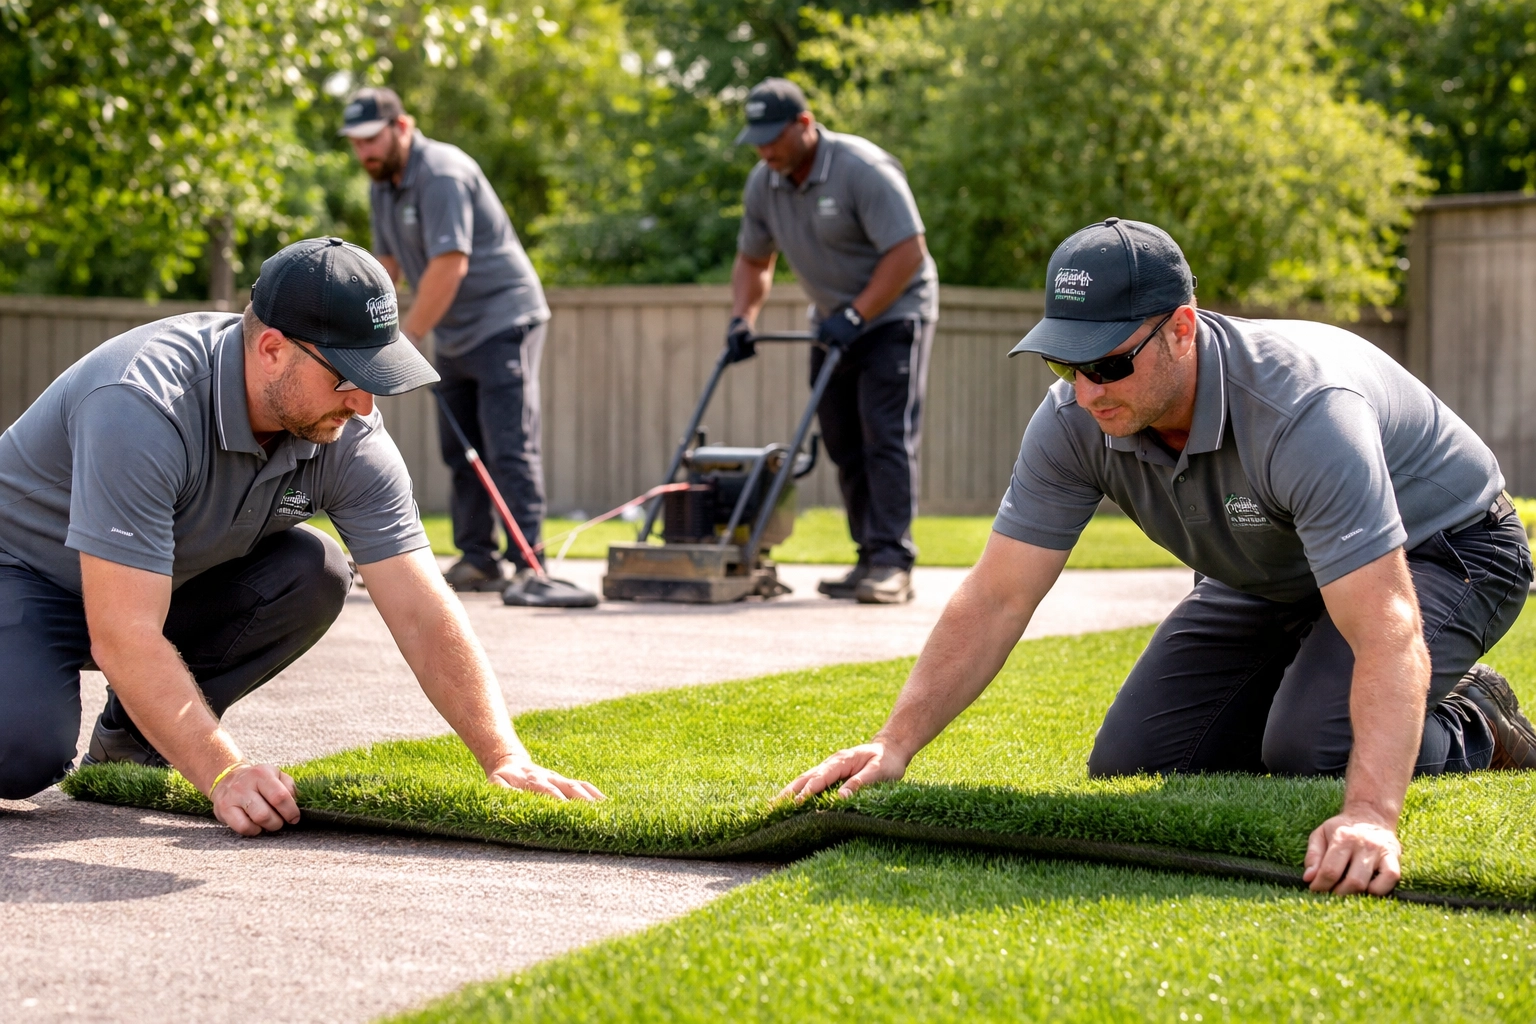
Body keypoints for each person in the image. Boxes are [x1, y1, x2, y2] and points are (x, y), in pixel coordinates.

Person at [781, 218, 1536, 896]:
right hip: (1271, 570)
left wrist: (1370, 814)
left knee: (1311, 750)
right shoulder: (1074, 422)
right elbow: (998, 595)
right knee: (1137, 762)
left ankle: (1476, 715)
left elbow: (1387, 622)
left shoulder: (1302, 411)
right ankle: (1326, 689)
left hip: (1446, 548)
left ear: (1181, 328)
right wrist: (894, 743)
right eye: (1064, 363)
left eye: (1107, 364)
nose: (1086, 392)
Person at [0, 238, 602, 833]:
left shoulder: (349, 435)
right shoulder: (141, 403)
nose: (364, 404)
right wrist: (223, 771)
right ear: (271, 350)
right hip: (23, 576)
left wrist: (504, 756)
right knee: (21, 751)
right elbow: (123, 632)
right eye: (348, 377)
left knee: (314, 570)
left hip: (147, 591)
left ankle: (134, 743)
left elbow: (421, 607)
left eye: (377, 375)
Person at [726, 78, 939, 604]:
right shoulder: (764, 183)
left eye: (772, 138)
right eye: (756, 141)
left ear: (804, 124)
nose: (764, 151)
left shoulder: (860, 169)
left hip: (894, 314)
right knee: (842, 440)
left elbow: (908, 250)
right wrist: (741, 320)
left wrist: (857, 312)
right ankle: (867, 556)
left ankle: (892, 562)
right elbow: (754, 260)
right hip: (831, 321)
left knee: (884, 435)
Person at [341, 86, 551, 593]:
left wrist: (408, 335)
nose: (364, 151)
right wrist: (361, 328)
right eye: (356, 142)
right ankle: (479, 559)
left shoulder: (441, 173)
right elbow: (386, 267)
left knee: (508, 446)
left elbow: (450, 263)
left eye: (372, 138)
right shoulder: (382, 186)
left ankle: (530, 565)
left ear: (402, 127)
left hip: (504, 320)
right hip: (453, 329)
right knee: (460, 449)